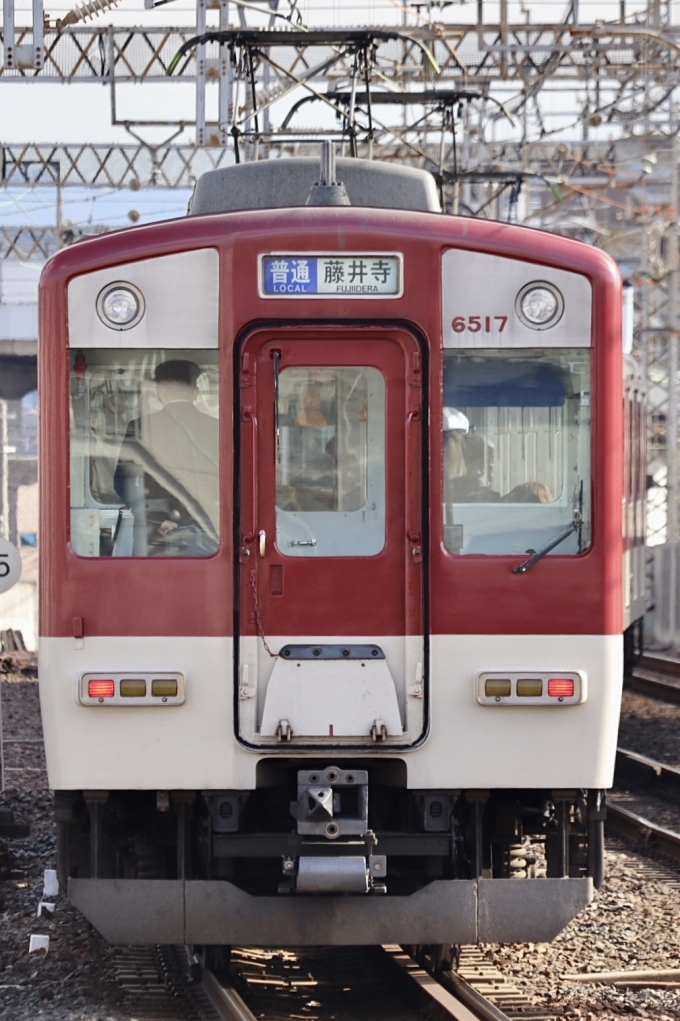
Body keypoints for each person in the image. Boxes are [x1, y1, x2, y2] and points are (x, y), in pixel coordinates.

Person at [114, 359, 219, 556]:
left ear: (162, 393)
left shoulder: (139, 426)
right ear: (196, 393)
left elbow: (123, 483)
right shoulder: (217, 427)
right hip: (208, 526)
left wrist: (156, 517)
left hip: (156, 532)